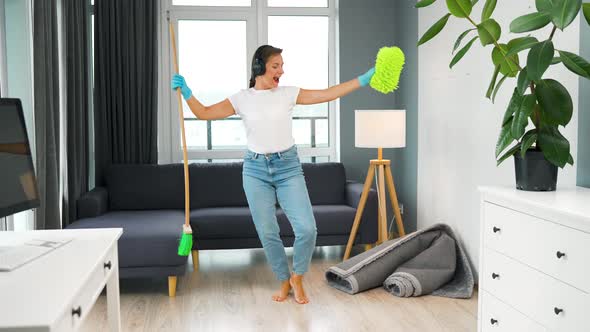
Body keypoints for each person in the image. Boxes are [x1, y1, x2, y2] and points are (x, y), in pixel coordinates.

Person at [171, 44, 375, 304]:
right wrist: (187, 93)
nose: (281, 71)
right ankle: (283, 279)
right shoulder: (242, 98)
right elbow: (204, 114)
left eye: (282, 65)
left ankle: (298, 277)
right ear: (260, 67)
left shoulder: (288, 93)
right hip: (255, 170)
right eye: (276, 65)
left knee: (307, 228)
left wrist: (361, 80)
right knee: (267, 231)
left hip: (288, 167)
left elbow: (327, 94)